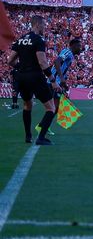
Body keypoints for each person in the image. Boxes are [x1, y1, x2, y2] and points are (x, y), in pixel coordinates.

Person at [7, 15, 61, 145]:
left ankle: (28, 136)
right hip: (35, 76)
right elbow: (42, 62)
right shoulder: (38, 40)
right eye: (43, 25)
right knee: (51, 108)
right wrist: (53, 80)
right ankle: (41, 138)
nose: (44, 27)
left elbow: (10, 61)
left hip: (22, 77)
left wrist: (23, 67)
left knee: (27, 104)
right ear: (37, 25)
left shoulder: (20, 40)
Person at [36, 39, 83, 135]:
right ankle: (42, 127)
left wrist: (64, 83)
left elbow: (61, 67)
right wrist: (61, 79)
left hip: (57, 83)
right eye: (79, 46)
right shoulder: (68, 52)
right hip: (53, 83)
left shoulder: (70, 55)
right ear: (73, 45)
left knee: (55, 107)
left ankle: (43, 126)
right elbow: (56, 61)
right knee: (54, 107)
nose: (80, 48)